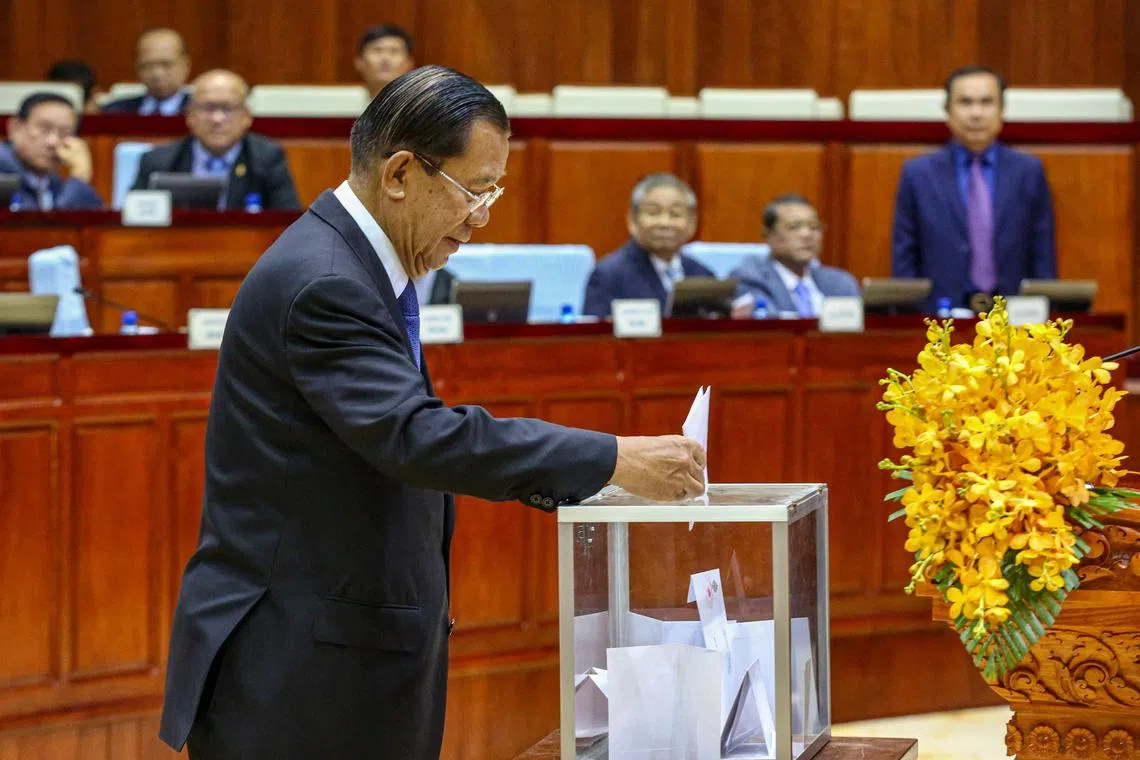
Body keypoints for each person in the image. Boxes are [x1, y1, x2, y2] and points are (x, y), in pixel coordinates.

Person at [157, 65, 704, 760]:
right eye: (474, 190)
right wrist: (612, 458)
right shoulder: (325, 281)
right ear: (399, 174)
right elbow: (414, 435)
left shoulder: (355, 264)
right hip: (298, 672)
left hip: (339, 651)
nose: (483, 215)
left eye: (493, 191)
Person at [891, 65, 1056, 312]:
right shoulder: (918, 174)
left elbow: (1043, 255)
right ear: (947, 111)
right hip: (939, 318)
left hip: (1014, 317)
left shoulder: (1028, 172)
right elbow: (905, 257)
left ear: (1002, 110)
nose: (976, 113)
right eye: (965, 102)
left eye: (986, 102)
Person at [131, 69, 300, 210]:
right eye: (208, 108)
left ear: (246, 116)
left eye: (227, 108)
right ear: (190, 115)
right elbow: (132, 220)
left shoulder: (267, 158)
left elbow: (288, 221)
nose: (217, 119)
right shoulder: (158, 161)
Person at [583, 173, 722, 318]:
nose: (665, 223)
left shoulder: (704, 277)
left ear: (692, 223)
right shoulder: (608, 276)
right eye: (653, 213)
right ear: (632, 220)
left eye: (675, 214)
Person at [730, 194, 859, 317]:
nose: (807, 234)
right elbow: (765, 320)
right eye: (794, 227)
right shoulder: (750, 278)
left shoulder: (840, 283)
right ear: (769, 235)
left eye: (814, 226)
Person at [0, 92, 102, 210]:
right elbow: (41, 221)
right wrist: (79, 179)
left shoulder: (52, 181)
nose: (52, 142)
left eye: (64, 133)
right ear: (15, 128)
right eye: (44, 129)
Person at [101, 28, 191, 115]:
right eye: (147, 65)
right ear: (136, 68)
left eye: (166, 64)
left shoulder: (197, 109)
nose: (157, 74)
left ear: (186, 66)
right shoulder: (112, 112)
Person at [355, 24, 416, 100]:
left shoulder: (422, 105)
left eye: (394, 51)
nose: (385, 58)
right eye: (377, 50)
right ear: (360, 62)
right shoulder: (345, 104)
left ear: (409, 63)